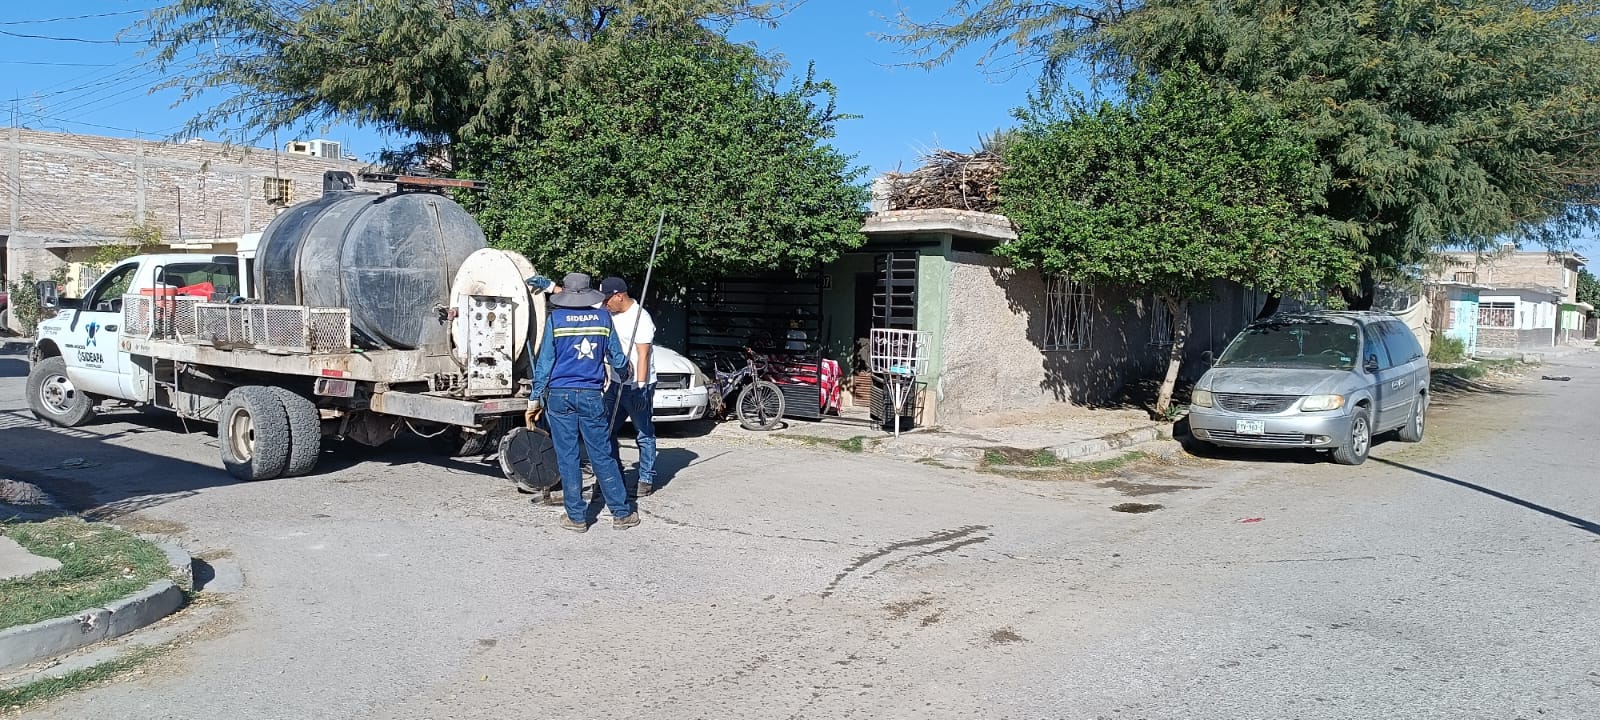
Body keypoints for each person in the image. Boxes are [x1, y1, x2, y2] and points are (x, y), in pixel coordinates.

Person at [529, 272, 639, 532]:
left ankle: (576, 517)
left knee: (568, 456)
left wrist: (534, 398)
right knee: (602, 454)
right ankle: (621, 514)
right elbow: (617, 358)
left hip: (559, 396)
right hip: (591, 395)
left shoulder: (555, 320)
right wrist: (625, 371)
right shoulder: (603, 318)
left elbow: (545, 364)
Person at [600, 277, 659, 495]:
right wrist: (552, 288)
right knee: (605, 429)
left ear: (619, 296)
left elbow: (644, 354)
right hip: (616, 383)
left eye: (607, 299)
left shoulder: (640, 318)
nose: (604, 304)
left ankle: (646, 478)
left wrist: (641, 387)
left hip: (638, 384)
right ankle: (615, 473)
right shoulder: (610, 312)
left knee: (643, 432)